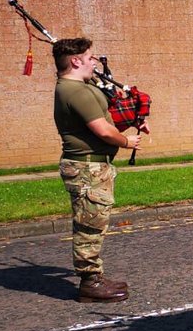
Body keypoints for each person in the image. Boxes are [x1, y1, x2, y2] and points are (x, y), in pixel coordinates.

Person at [52, 37, 147, 303]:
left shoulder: (79, 86)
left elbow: (107, 117)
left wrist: (130, 120)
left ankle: (94, 275)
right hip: (87, 167)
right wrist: (127, 141)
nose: (94, 62)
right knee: (89, 225)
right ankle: (89, 283)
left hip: (92, 165)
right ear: (76, 61)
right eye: (90, 57)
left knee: (94, 222)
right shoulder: (75, 91)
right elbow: (103, 130)